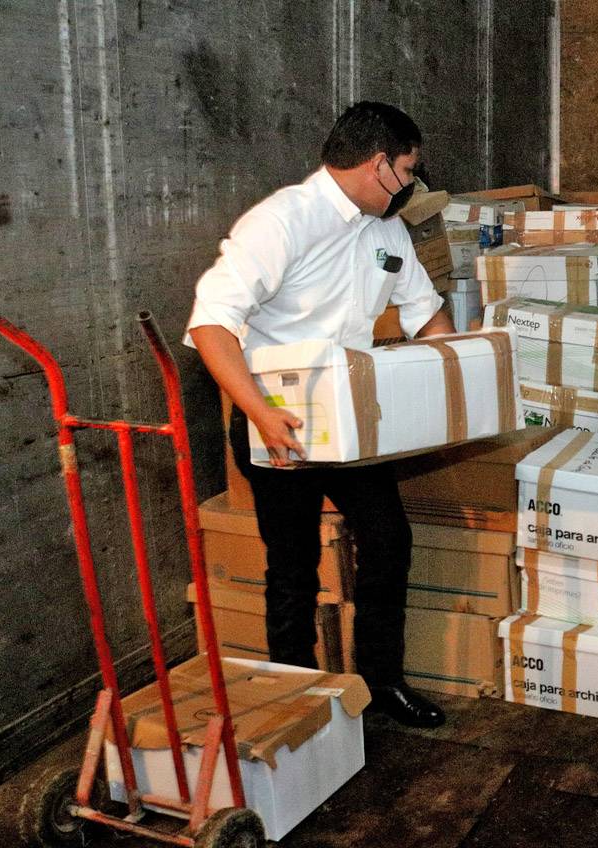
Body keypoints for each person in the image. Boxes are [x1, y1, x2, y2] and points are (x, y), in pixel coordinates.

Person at [185, 102, 454, 727]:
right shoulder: (281, 222)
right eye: (408, 170)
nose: (411, 184)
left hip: (351, 418)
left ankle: (381, 682)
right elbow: (210, 324)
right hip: (276, 418)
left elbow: (427, 313)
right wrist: (261, 414)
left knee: (388, 540)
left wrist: (456, 378)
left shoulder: (386, 230)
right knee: (294, 564)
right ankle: (299, 697)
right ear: (379, 164)